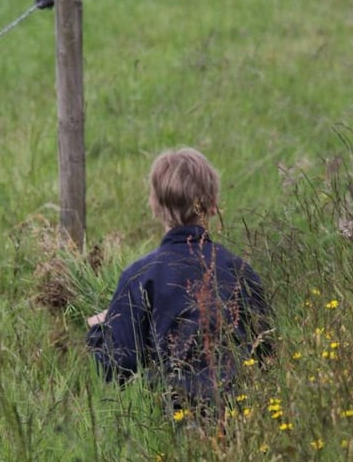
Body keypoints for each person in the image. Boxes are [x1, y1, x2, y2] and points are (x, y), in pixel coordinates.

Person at [86, 148, 272, 413]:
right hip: (243, 416)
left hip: (169, 420)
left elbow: (116, 368)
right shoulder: (241, 270)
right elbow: (266, 354)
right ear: (214, 202)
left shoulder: (139, 276)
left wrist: (99, 331)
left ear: (154, 204)